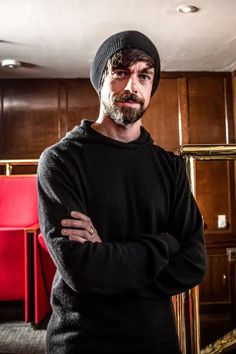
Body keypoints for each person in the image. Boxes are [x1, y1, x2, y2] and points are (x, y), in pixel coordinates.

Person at [37, 30, 206, 354]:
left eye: (144, 76)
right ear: (101, 79)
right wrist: (164, 244)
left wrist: (110, 260)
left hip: (157, 340)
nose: (132, 86)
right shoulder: (61, 160)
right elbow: (81, 271)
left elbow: (194, 263)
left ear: (152, 87)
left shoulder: (169, 166)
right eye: (121, 72)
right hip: (82, 342)